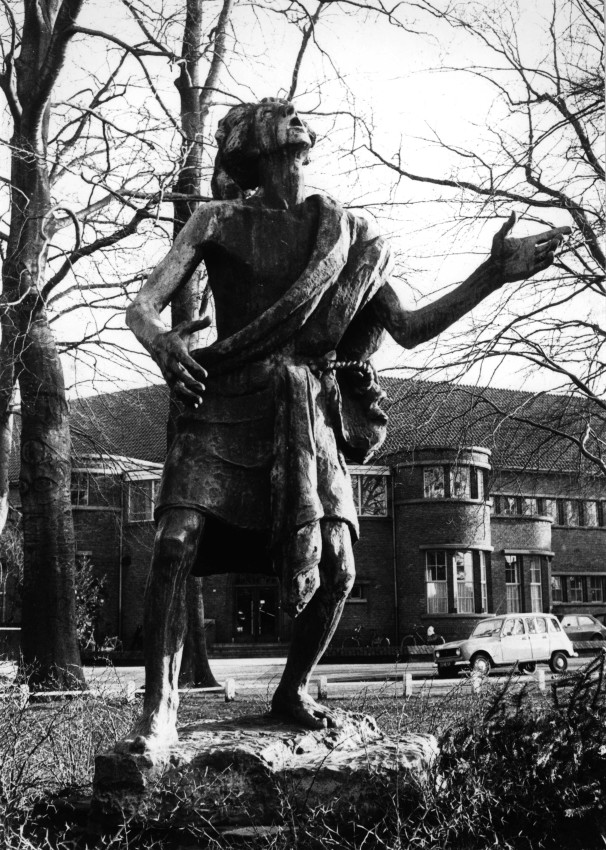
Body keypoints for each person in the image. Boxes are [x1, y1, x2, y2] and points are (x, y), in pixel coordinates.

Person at [125, 97, 569, 749]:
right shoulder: (215, 220)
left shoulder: (348, 237)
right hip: (223, 400)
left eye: (297, 122)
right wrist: (162, 346)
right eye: (279, 120)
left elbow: (410, 329)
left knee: (340, 569)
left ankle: (292, 688)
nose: (293, 126)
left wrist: (491, 273)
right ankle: (156, 712)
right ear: (253, 144)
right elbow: (143, 305)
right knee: (173, 542)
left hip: (306, 408)